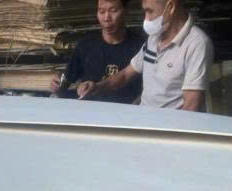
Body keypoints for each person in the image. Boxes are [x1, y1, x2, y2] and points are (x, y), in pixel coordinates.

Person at [77, 0, 214, 110]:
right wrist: (97, 87)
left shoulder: (196, 44)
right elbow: (125, 75)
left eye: (150, 11)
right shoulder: (154, 38)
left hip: (167, 128)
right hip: (145, 119)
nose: (146, 18)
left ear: (171, 7)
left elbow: (191, 106)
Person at [51, 0, 144, 105]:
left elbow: (141, 88)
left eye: (113, 11)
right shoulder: (86, 44)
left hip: (127, 111)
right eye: (101, 11)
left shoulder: (140, 46)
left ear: (126, 11)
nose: (106, 18)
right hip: (88, 110)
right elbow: (67, 80)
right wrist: (59, 84)